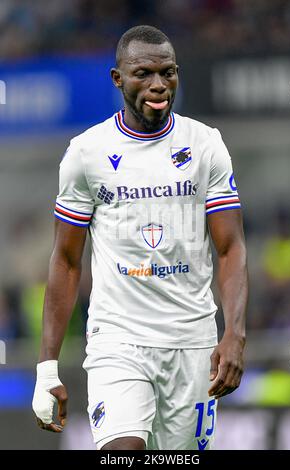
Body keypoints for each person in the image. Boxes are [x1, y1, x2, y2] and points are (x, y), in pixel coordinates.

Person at [32, 25, 248, 451]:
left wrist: (235, 333)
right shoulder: (86, 153)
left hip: (193, 342)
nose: (158, 85)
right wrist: (47, 368)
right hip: (118, 339)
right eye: (143, 73)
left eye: (167, 73)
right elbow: (66, 260)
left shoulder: (206, 145)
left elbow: (230, 247)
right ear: (118, 79)